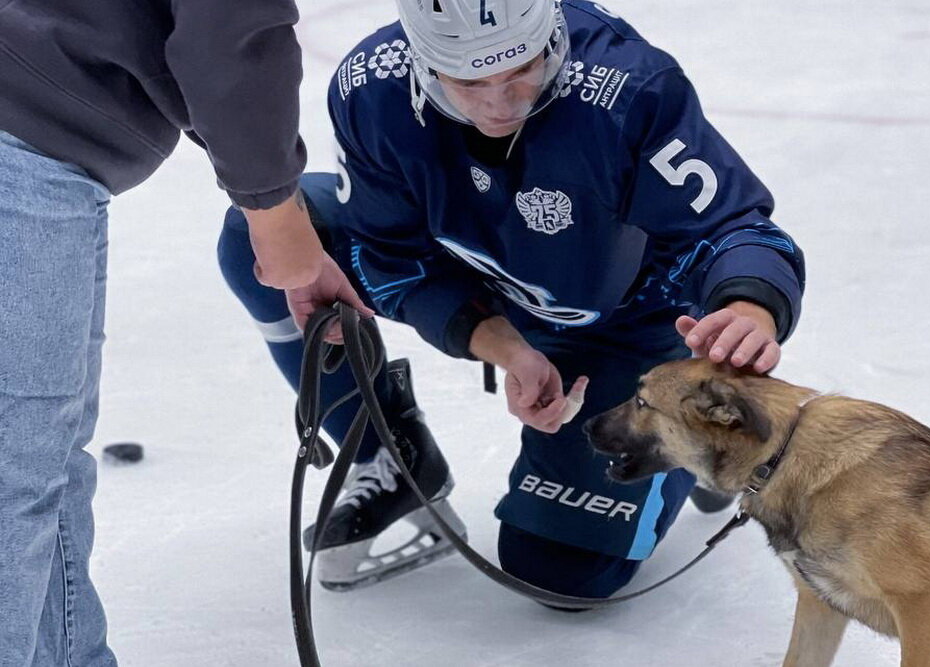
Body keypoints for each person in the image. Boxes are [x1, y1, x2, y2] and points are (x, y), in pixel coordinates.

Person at [218, 0, 805, 601]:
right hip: (483, 269)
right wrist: (505, 347)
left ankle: (693, 442)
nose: (501, 103)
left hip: (623, 320)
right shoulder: (372, 86)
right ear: (423, 62)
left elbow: (735, 227)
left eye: (523, 68)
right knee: (260, 238)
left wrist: (747, 307)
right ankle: (388, 458)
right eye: (469, 80)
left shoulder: (629, 88)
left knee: (561, 573)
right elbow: (388, 254)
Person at [0, 2, 372, 664]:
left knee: (42, 466)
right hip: (24, 130)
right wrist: (274, 210)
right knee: (16, 473)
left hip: (37, 125)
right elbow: (227, 28)